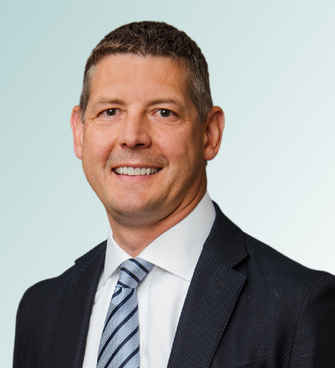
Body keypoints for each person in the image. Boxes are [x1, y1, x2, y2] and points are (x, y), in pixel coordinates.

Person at [13, 21, 335, 368]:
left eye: (163, 112)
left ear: (210, 134)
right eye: (110, 112)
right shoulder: (41, 310)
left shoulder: (299, 306)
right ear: (79, 132)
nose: (132, 136)